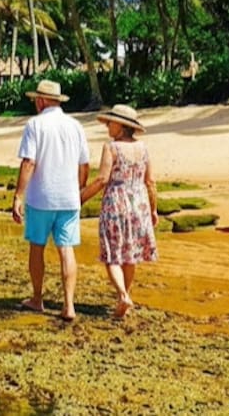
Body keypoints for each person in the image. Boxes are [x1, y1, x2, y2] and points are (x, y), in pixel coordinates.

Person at [11, 79, 90, 321]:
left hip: (40, 197)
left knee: (37, 247)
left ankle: (37, 298)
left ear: (41, 100)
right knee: (66, 249)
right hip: (68, 198)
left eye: (36, 99)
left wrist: (18, 195)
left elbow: (29, 162)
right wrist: (78, 189)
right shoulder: (75, 125)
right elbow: (84, 164)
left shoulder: (35, 124)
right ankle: (69, 305)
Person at [80, 104, 158, 320]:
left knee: (112, 254)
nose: (107, 126)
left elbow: (102, 179)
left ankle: (123, 295)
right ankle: (126, 296)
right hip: (139, 204)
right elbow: (150, 181)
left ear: (121, 126)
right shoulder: (143, 148)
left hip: (116, 203)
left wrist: (80, 199)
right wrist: (153, 210)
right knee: (130, 255)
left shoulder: (111, 147)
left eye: (111, 123)